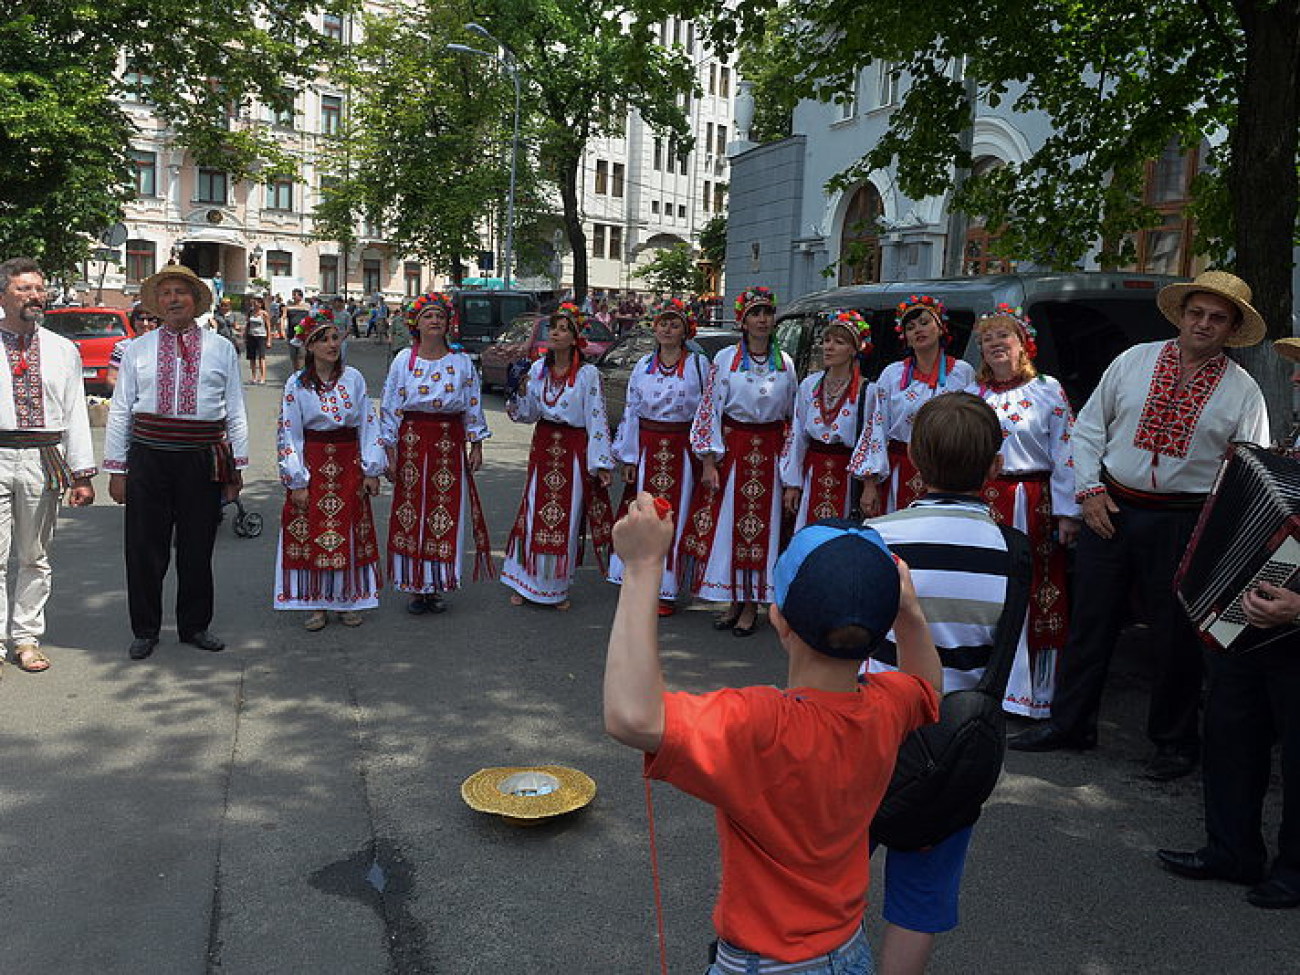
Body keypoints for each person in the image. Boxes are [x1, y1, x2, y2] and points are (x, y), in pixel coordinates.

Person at [605, 499, 941, 974]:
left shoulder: (761, 725)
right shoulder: (888, 707)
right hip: (847, 952)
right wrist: (909, 612)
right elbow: (928, 687)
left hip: (766, 963)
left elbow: (630, 716)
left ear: (779, 619)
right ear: (881, 628)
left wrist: (642, 567)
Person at [1009, 270, 1269, 781]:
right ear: (1182, 314)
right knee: (1091, 621)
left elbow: (1248, 469)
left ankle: (1173, 742)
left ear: (1231, 328)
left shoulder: (1245, 392)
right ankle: (1070, 723)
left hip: (1184, 521)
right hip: (1113, 508)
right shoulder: (1134, 361)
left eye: (1217, 318)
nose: (1204, 323)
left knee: (1174, 637)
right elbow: (1088, 430)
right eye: (1196, 313)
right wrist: (1089, 491)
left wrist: (1218, 533)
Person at [864, 391, 1020, 975]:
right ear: (994, 470)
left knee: (838, 871)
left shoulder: (876, 536)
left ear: (914, 464)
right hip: (954, 746)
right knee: (921, 895)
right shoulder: (1014, 552)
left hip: (871, 734)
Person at [1154, 334, 1300, 910]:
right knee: (1231, 731)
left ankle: (1295, 868)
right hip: (1256, 621)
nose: (1292, 380)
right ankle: (1231, 849)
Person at [104, 264, 249, 660]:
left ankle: (195, 626)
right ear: (157, 302)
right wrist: (118, 471)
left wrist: (236, 469)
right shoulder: (138, 348)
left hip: (201, 459)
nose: (172, 299)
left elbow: (234, 408)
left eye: (180, 292)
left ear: (195, 300)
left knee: (197, 547)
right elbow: (120, 411)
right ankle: (145, 629)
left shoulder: (221, 348)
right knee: (144, 548)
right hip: (148, 458)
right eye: (165, 292)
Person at [969, 305, 1079, 718]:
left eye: (1004, 336)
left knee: (1038, 588)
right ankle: (986, 683)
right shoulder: (976, 395)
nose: (996, 344)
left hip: (1035, 499)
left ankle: (1037, 693)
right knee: (989, 589)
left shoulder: (1048, 390)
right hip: (986, 500)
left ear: (1023, 344)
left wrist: (1069, 513)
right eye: (987, 339)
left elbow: (1066, 451)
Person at [679, 286, 797, 636]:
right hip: (735, 451)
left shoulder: (785, 362)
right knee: (731, 527)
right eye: (755, 314)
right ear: (743, 320)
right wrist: (709, 461)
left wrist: (790, 470)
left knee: (765, 529)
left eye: (767, 313)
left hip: (771, 453)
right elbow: (710, 410)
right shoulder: (725, 359)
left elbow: (794, 417)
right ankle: (734, 600)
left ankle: (752, 606)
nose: (762, 320)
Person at [0, 257, 96, 676]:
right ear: (3, 295)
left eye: (38, 288)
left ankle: (25, 637)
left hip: (45, 458)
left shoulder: (62, 349)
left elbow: (76, 412)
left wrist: (83, 474)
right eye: (24, 289)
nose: (34, 296)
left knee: (35, 556)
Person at [379, 292, 493, 615]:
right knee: (412, 510)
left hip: (448, 441)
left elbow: (473, 403)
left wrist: (477, 443)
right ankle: (415, 585)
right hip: (413, 441)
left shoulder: (461, 362)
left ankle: (437, 582)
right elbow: (390, 406)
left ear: (448, 323)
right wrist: (389, 450)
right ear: (417, 322)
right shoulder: (404, 360)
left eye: (440, 316)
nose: (434, 321)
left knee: (444, 510)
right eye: (428, 316)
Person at [275, 310, 385, 630]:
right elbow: (289, 432)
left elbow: (368, 423)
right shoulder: (296, 384)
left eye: (335, 337)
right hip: (314, 462)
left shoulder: (354, 378)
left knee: (348, 527)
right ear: (308, 346)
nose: (331, 344)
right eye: (323, 339)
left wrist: (372, 468)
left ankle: (347, 599)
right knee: (315, 529)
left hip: (349, 461)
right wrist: (296, 479)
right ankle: (318, 603)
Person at [502, 302, 615, 610]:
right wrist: (517, 391)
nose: (555, 333)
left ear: (576, 337)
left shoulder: (588, 375)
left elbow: (597, 418)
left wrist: (601, 463)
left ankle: (553, 588)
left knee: (565, 516)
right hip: (544, 445)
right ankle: (524, 582)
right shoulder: (538, 369)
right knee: (534, 510)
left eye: (564, 328)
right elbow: (527, 414)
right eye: (553, 327)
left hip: (573, 449)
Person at [607, 298, 711, 616]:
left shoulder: (697, 365)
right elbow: (632, 412)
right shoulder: (643, 366)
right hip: (649, 447)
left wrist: (707, 457)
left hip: (682, 450)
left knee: (674, 518)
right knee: (644, 515)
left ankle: (666, 589)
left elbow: (708, 413)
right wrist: (629, 458)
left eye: (674, 324)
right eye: (662, 323)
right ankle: (639, 582)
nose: (667, 329)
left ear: (685, 332)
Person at [850, 295, 975, 516]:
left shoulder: (962, 372)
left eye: (925, 323)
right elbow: (876, 429)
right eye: (910, 327)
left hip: (947, 472)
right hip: (901, 470)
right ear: (905, 336)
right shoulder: (892, 374)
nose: (918, 330)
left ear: (940, 328)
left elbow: (971, 427)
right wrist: (870, 485)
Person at [782, 309, 875, 533]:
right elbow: (798, 436)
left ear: (854, 349)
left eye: (839, 342)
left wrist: (869, 486)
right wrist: (793, 483)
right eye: (826, 341)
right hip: (813, 473)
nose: (829, 347)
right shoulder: (810, 385)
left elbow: (872, 441)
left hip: (847, 478)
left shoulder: (869, 391)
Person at [108, 306, 162, 390]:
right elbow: (112, 379)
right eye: (141, 319)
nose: (145, 323)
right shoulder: (123, 348)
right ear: (134, 322)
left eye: (150, 319)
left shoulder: (165, 348)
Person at [243, 295, 273, 384]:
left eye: (256, 302)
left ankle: (263, 377)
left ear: (260, 304)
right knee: (252, 358)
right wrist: (245, 335)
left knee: (261, 357)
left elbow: (268, 327)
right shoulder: (250, 312)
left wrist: (269, 340)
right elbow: (247, 325)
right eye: (253, 302)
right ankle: (254, 377)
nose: (254, 304)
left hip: (261, 336)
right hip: (251, 336)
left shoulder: (264, 313)